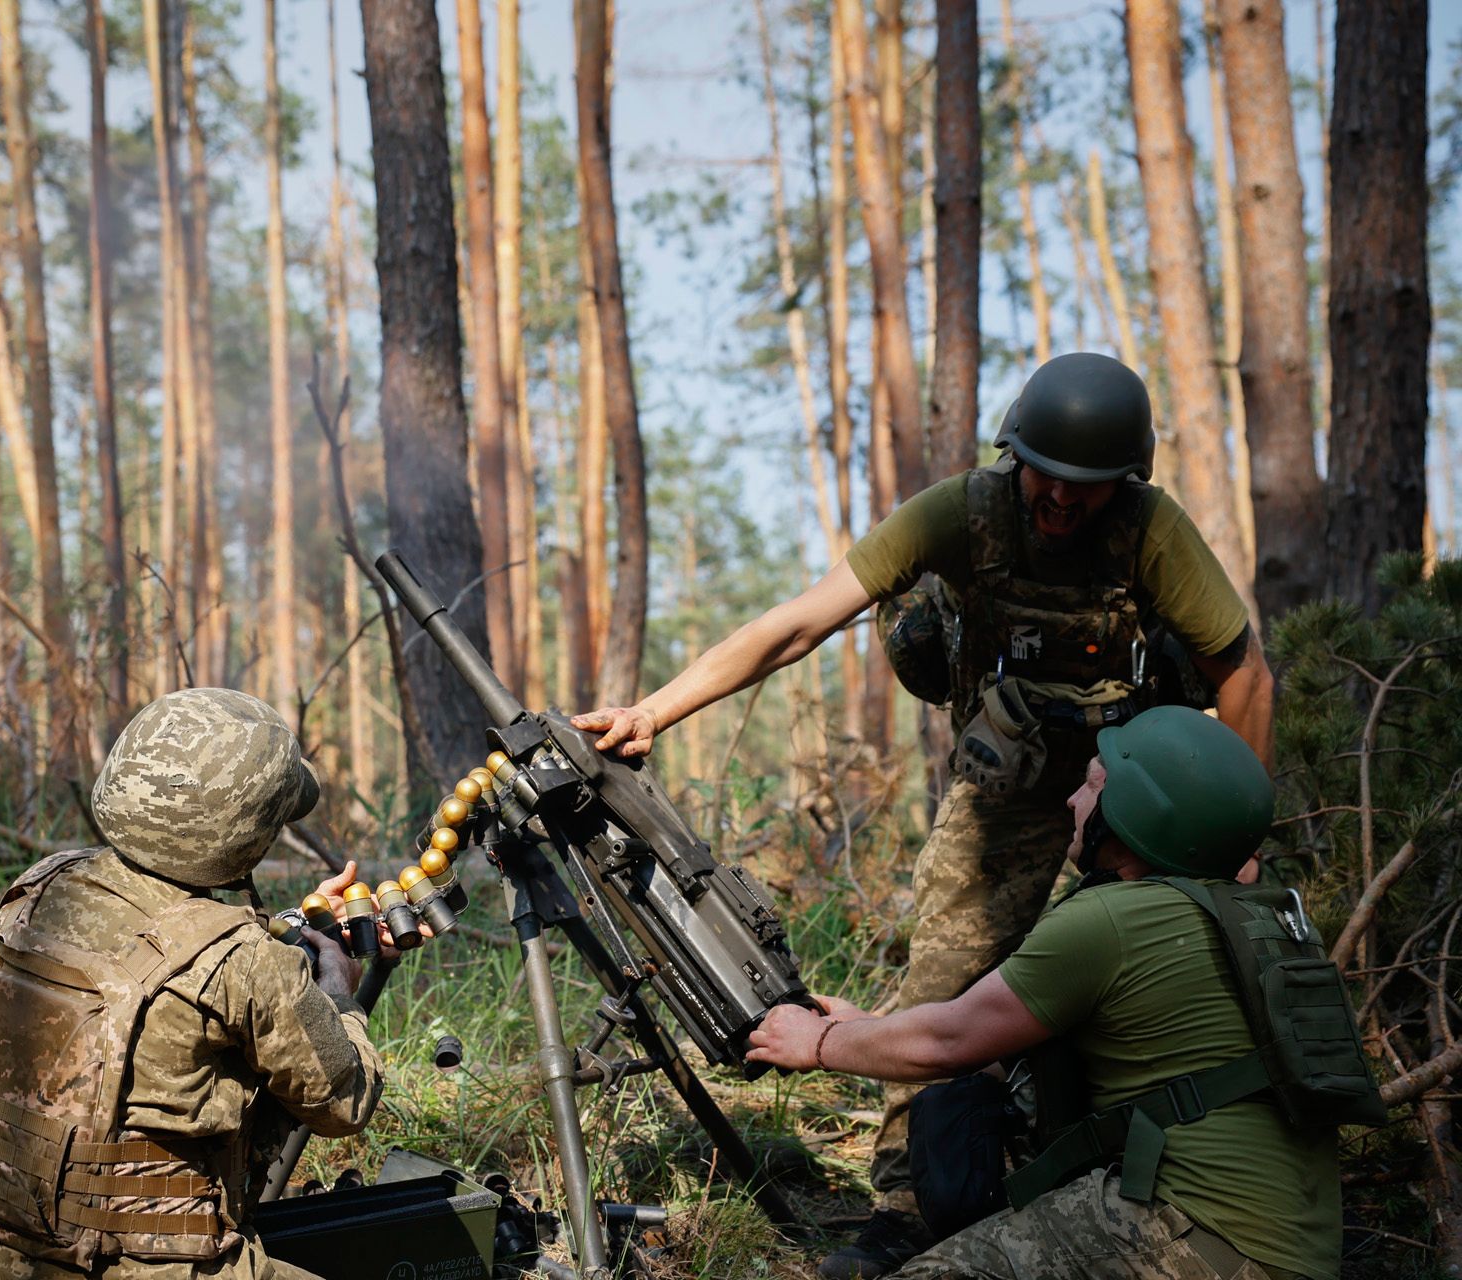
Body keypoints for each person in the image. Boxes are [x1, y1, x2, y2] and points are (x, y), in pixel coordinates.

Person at [573, 353, 1275, 1274]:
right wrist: (655, 710)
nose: (1063, 499)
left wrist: (1233, 845)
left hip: (1133, 787)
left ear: (1126, 480)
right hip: (1007, 786)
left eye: (1089, 485)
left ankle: (1142, 1179)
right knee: (942, 978)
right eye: (1046, 476)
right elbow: (801, 622)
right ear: (1015, 455)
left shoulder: (1152, 529)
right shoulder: (959, 513)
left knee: (1165, 973)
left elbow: (1244, 673)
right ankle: (905, 1209)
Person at [744, 707, 1368, 1280]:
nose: (1072, 798)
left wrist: (818, 1041)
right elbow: (1005, 1050)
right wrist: (862, 1028)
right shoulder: (1251, 917)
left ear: (1136, 812)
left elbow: (949, 1040)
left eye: (1093, 784)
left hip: (1201, 1237)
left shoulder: (1112, 919)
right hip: (1292, 1253)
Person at [0, 689, 385, 1280]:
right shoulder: (245, 963)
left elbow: (167, 943)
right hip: (134, 1266)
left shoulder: (41, 886)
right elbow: (344, 1102)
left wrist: (288, 929)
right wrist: (341, 995)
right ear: (249, 835)